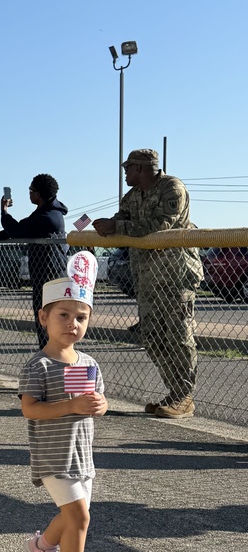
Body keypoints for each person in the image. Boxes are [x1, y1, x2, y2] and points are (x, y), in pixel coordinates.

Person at [19, 252, 113, 552]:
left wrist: (100, 404)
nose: (72, 324)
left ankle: (41, 547)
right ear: (43, 317)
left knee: (70, 516)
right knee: (79, 516)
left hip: (81, 456)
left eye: (81, 317)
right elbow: (31, 409)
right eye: (63, 315)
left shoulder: (89, 364)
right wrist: (70, 404)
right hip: (53, 457)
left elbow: (98, 403)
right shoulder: (38, 366)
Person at [93, 149, 203, 418]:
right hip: (147, 276)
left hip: (176, 275)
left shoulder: (172, 188)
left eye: (127, 168)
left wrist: (117, 227)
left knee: (178, 335)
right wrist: (107, 226)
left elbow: (162, 225)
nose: (125, 173)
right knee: (152, 336)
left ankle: (184, 397)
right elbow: (121, 219)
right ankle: (176, 392)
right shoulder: (131, 197)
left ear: (140, 168)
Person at [0, 174, 68, 349]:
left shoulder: (48, 216)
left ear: (38, 194)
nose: (29, 194)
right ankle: (48, 354)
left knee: (48, 321)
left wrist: (4, 210)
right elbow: (22, 226)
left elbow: (18, 230)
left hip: (50, 276)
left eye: (30, 191)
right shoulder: (45, 212)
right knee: (44, 319)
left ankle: (52, 357)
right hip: (44, 275)